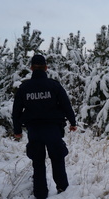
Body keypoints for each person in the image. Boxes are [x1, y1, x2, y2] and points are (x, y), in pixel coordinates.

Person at [12, 54, 77, 199]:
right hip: (53, 129)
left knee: (38, 161)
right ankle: (63, 189)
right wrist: (73, 122)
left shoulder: (24, 87)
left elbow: (16, 111)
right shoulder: (54, 85)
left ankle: (40, 194)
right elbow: (66, 105)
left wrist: (17, 131)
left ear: (31, 68)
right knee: (57, 159)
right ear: (46, 68)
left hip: (34, 130)